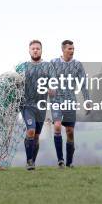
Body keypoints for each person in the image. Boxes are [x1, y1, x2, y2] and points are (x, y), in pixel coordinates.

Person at [16, 40, 56, 170]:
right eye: (33, 48)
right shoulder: (22, 66)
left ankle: (33, 160)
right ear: (29, 50)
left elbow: (54, 82)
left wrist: (52, 89)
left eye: (37, 48)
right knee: (31, 130)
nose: (35, 50)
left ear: (41, 50)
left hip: (41, 106)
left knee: (37, 136)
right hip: (27, 105)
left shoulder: (48, 66)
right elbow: (14, 83)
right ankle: (29, 161)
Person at [51, 40, 90, 168]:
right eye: (69, 49)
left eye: (73, 49)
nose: (72, 51)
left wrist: (87, 100)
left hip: (70, 102)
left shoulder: (77, 65)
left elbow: (83, 84)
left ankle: (69, 162)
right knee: (57, 126)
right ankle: (60, 161)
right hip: (56, 101)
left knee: (70, 131)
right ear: (63, 50)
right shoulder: (53, 63)